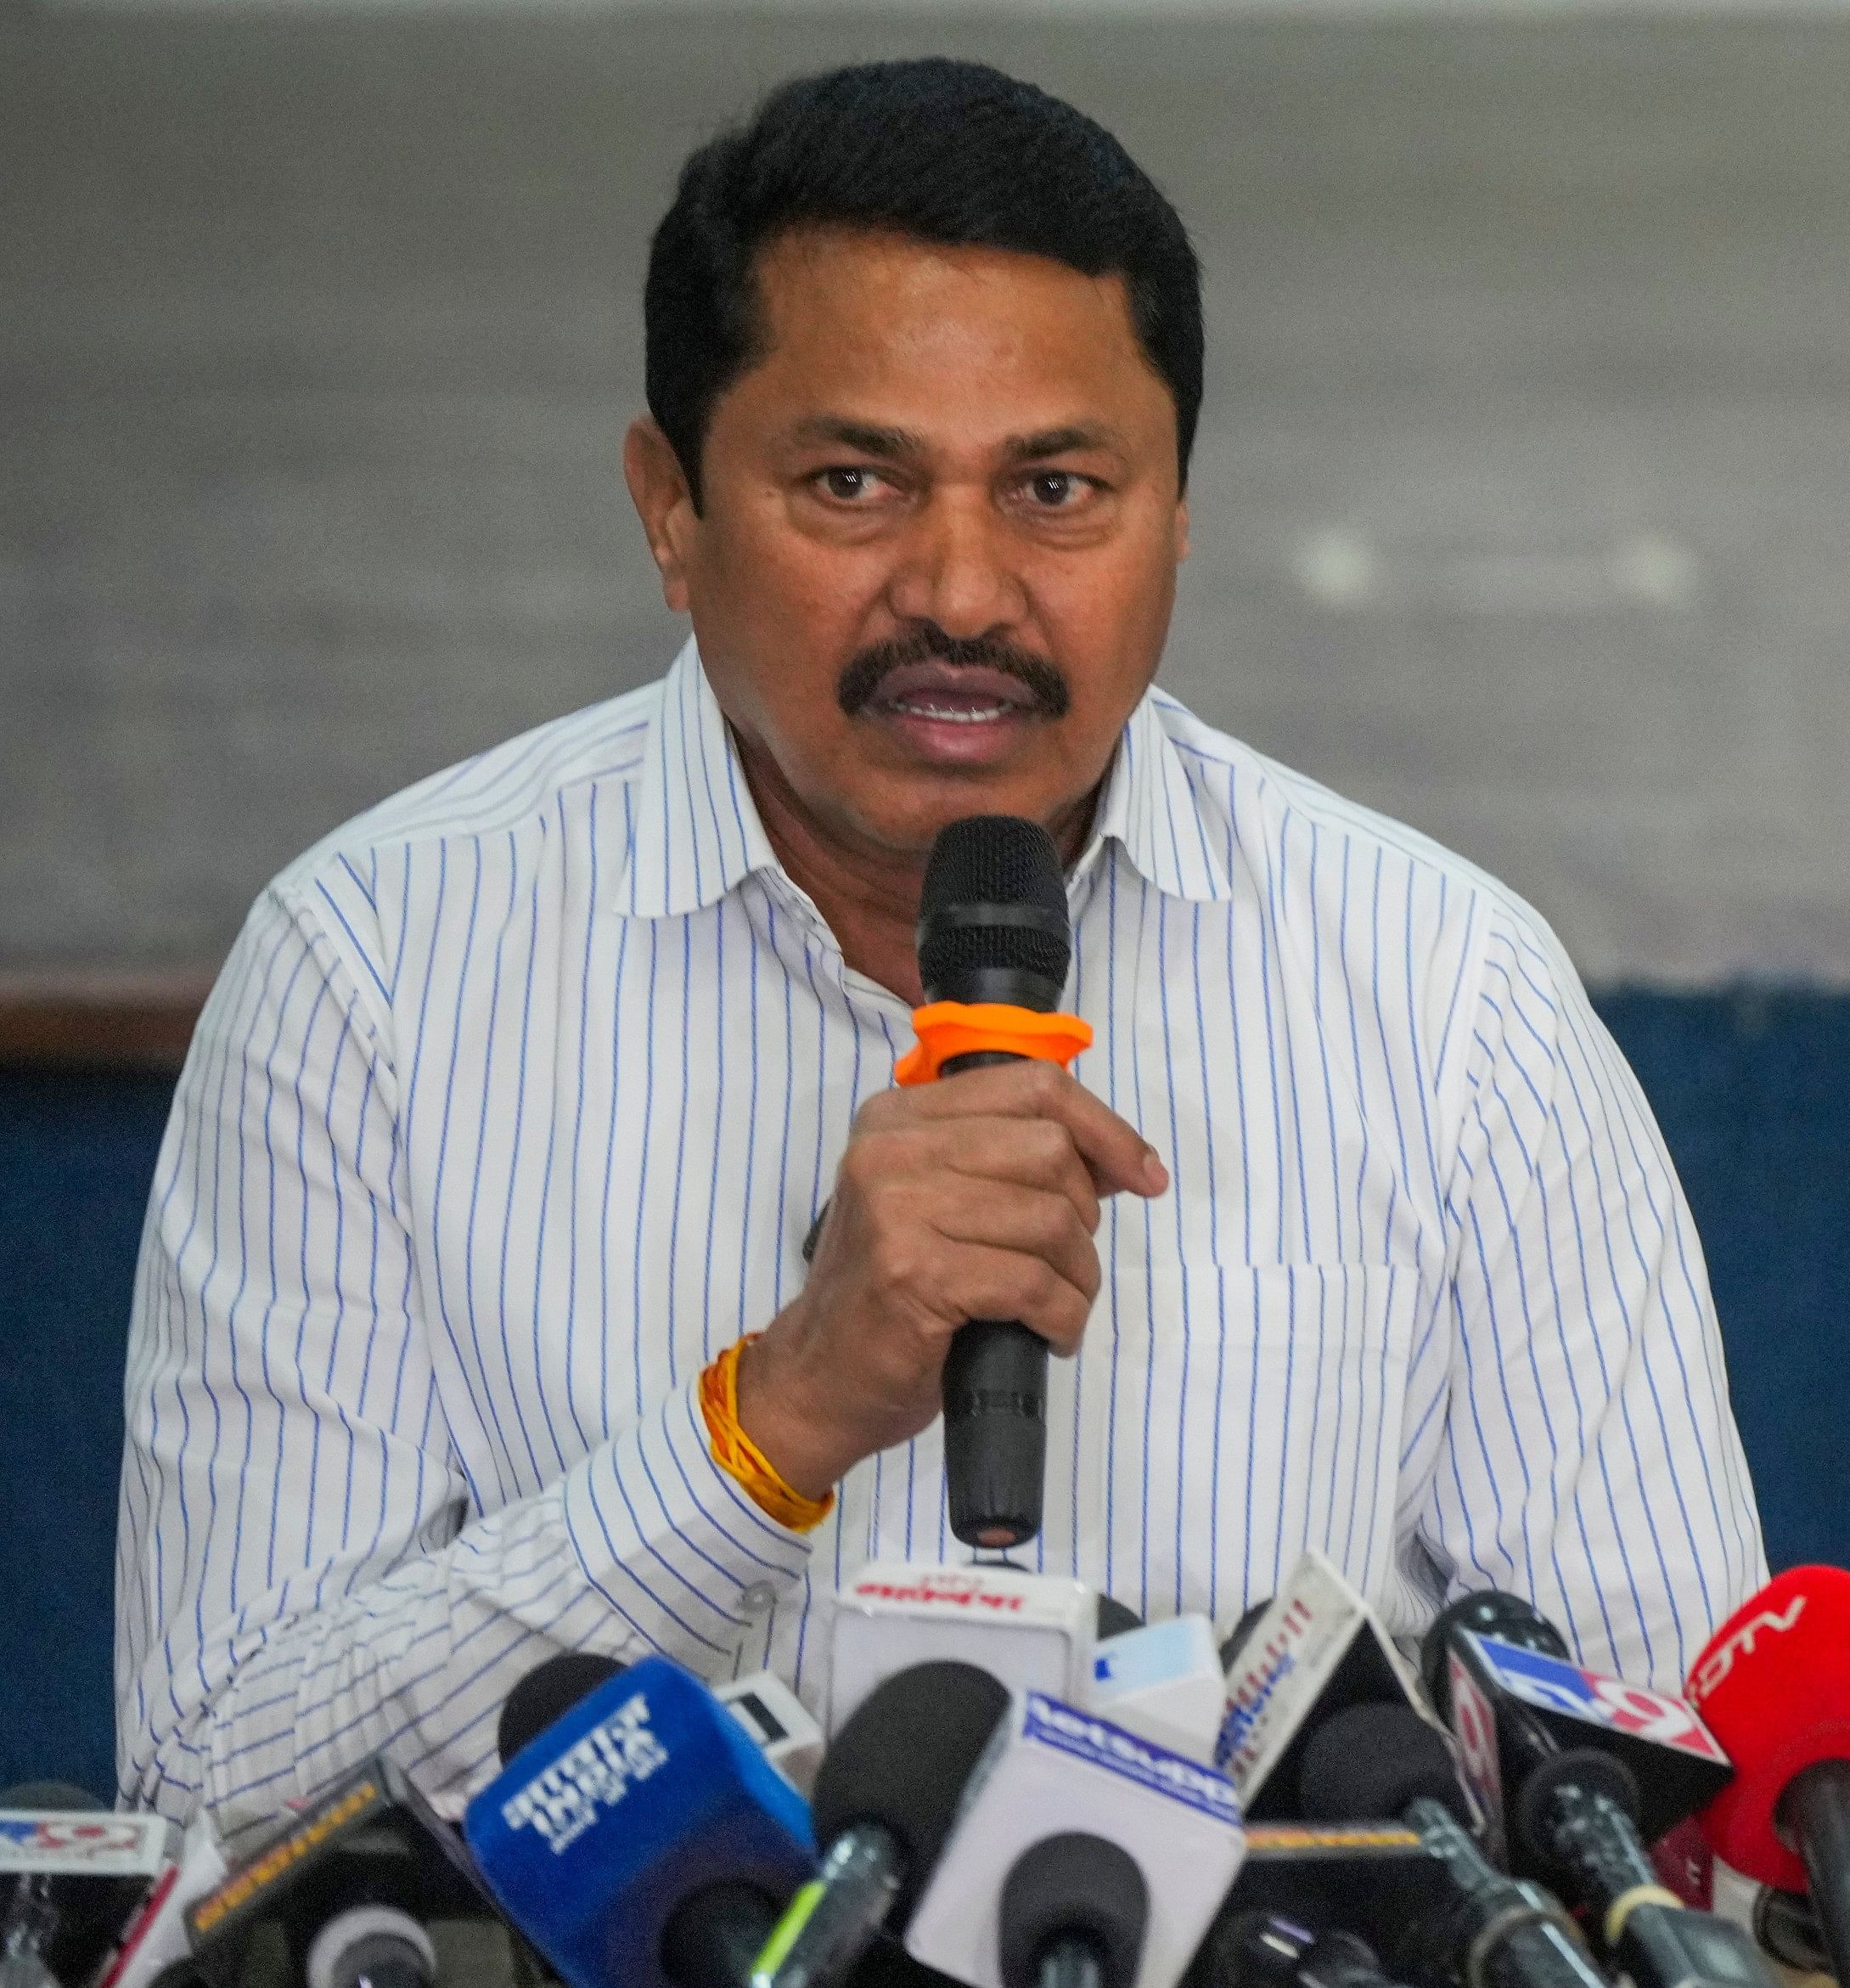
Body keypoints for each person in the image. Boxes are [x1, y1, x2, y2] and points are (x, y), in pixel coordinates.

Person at [116, 59, 1763, 1829]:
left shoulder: (1449, 1002)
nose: (963, 593)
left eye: (1056, 491)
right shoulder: (372, 976)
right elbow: (207, 1802)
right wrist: (767, 1424)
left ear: (1181, 517)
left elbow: (1673, 1810)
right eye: (852, 483)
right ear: (668, 507)